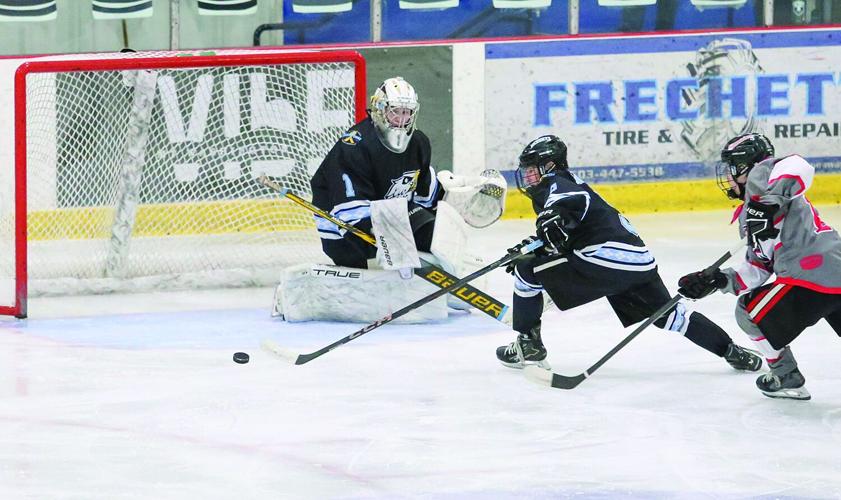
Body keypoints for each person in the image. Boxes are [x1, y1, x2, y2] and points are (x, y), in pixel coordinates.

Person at [496, 135, 762, 374]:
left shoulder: (557, 184)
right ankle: (731, 351)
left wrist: (548, 222)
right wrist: (540, 244)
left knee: (527, 271)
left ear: (550, 166)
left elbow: (565, 202)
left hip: (605, 260)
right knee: (671, 316)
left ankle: (528, 344)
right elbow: (569, 233)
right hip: (638, 262)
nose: (528, 177)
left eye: (532, 170)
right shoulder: (570, 184)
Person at [677, 133, 841, 400]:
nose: (729, 176)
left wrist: (767, 203)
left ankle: (785, 375)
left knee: (748, 311)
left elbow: (798, 165)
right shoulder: (750, 213)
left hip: (808, 276)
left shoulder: (762, 177)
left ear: (745, 166)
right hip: (833, 271)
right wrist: (718, 280)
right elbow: (759, 268)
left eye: (732, 168)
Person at [310, 76, 440, 269]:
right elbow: (348, 210)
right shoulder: (355, 146)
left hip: (390, 220)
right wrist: (384, 232)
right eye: (395, 111)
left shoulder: (418, 142)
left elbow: (426, 197)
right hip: (345, 233)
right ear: (380, 109)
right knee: (409, 221)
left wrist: (455, 196)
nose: (401, 120)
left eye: (407, 112)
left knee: (434, 230)